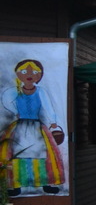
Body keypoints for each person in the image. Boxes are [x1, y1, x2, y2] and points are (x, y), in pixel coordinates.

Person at [0, 59, 65, 196]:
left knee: (42, 154)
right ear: (18, 74)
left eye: (34, 71)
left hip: (36, 127)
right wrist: (14, 112)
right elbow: (5, 100)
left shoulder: (41, 92)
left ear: (39, 75)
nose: (29, 74)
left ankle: (44, 183)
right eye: (24, 71)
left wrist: (53, 122)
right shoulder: (15, 91)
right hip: (20, 127)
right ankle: (16, 184)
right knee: (17, 154)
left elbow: (48, 107)